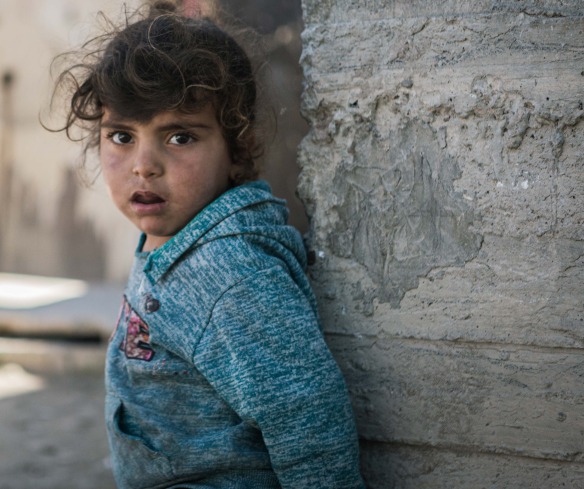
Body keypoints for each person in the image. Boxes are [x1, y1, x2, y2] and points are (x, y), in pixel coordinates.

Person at [51, 1, 365, 487]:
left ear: (235, 148)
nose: (144, 165)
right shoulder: (172, 239)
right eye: (121, 136)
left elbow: (309, 426)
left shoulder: (230, 274)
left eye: (179, 137)